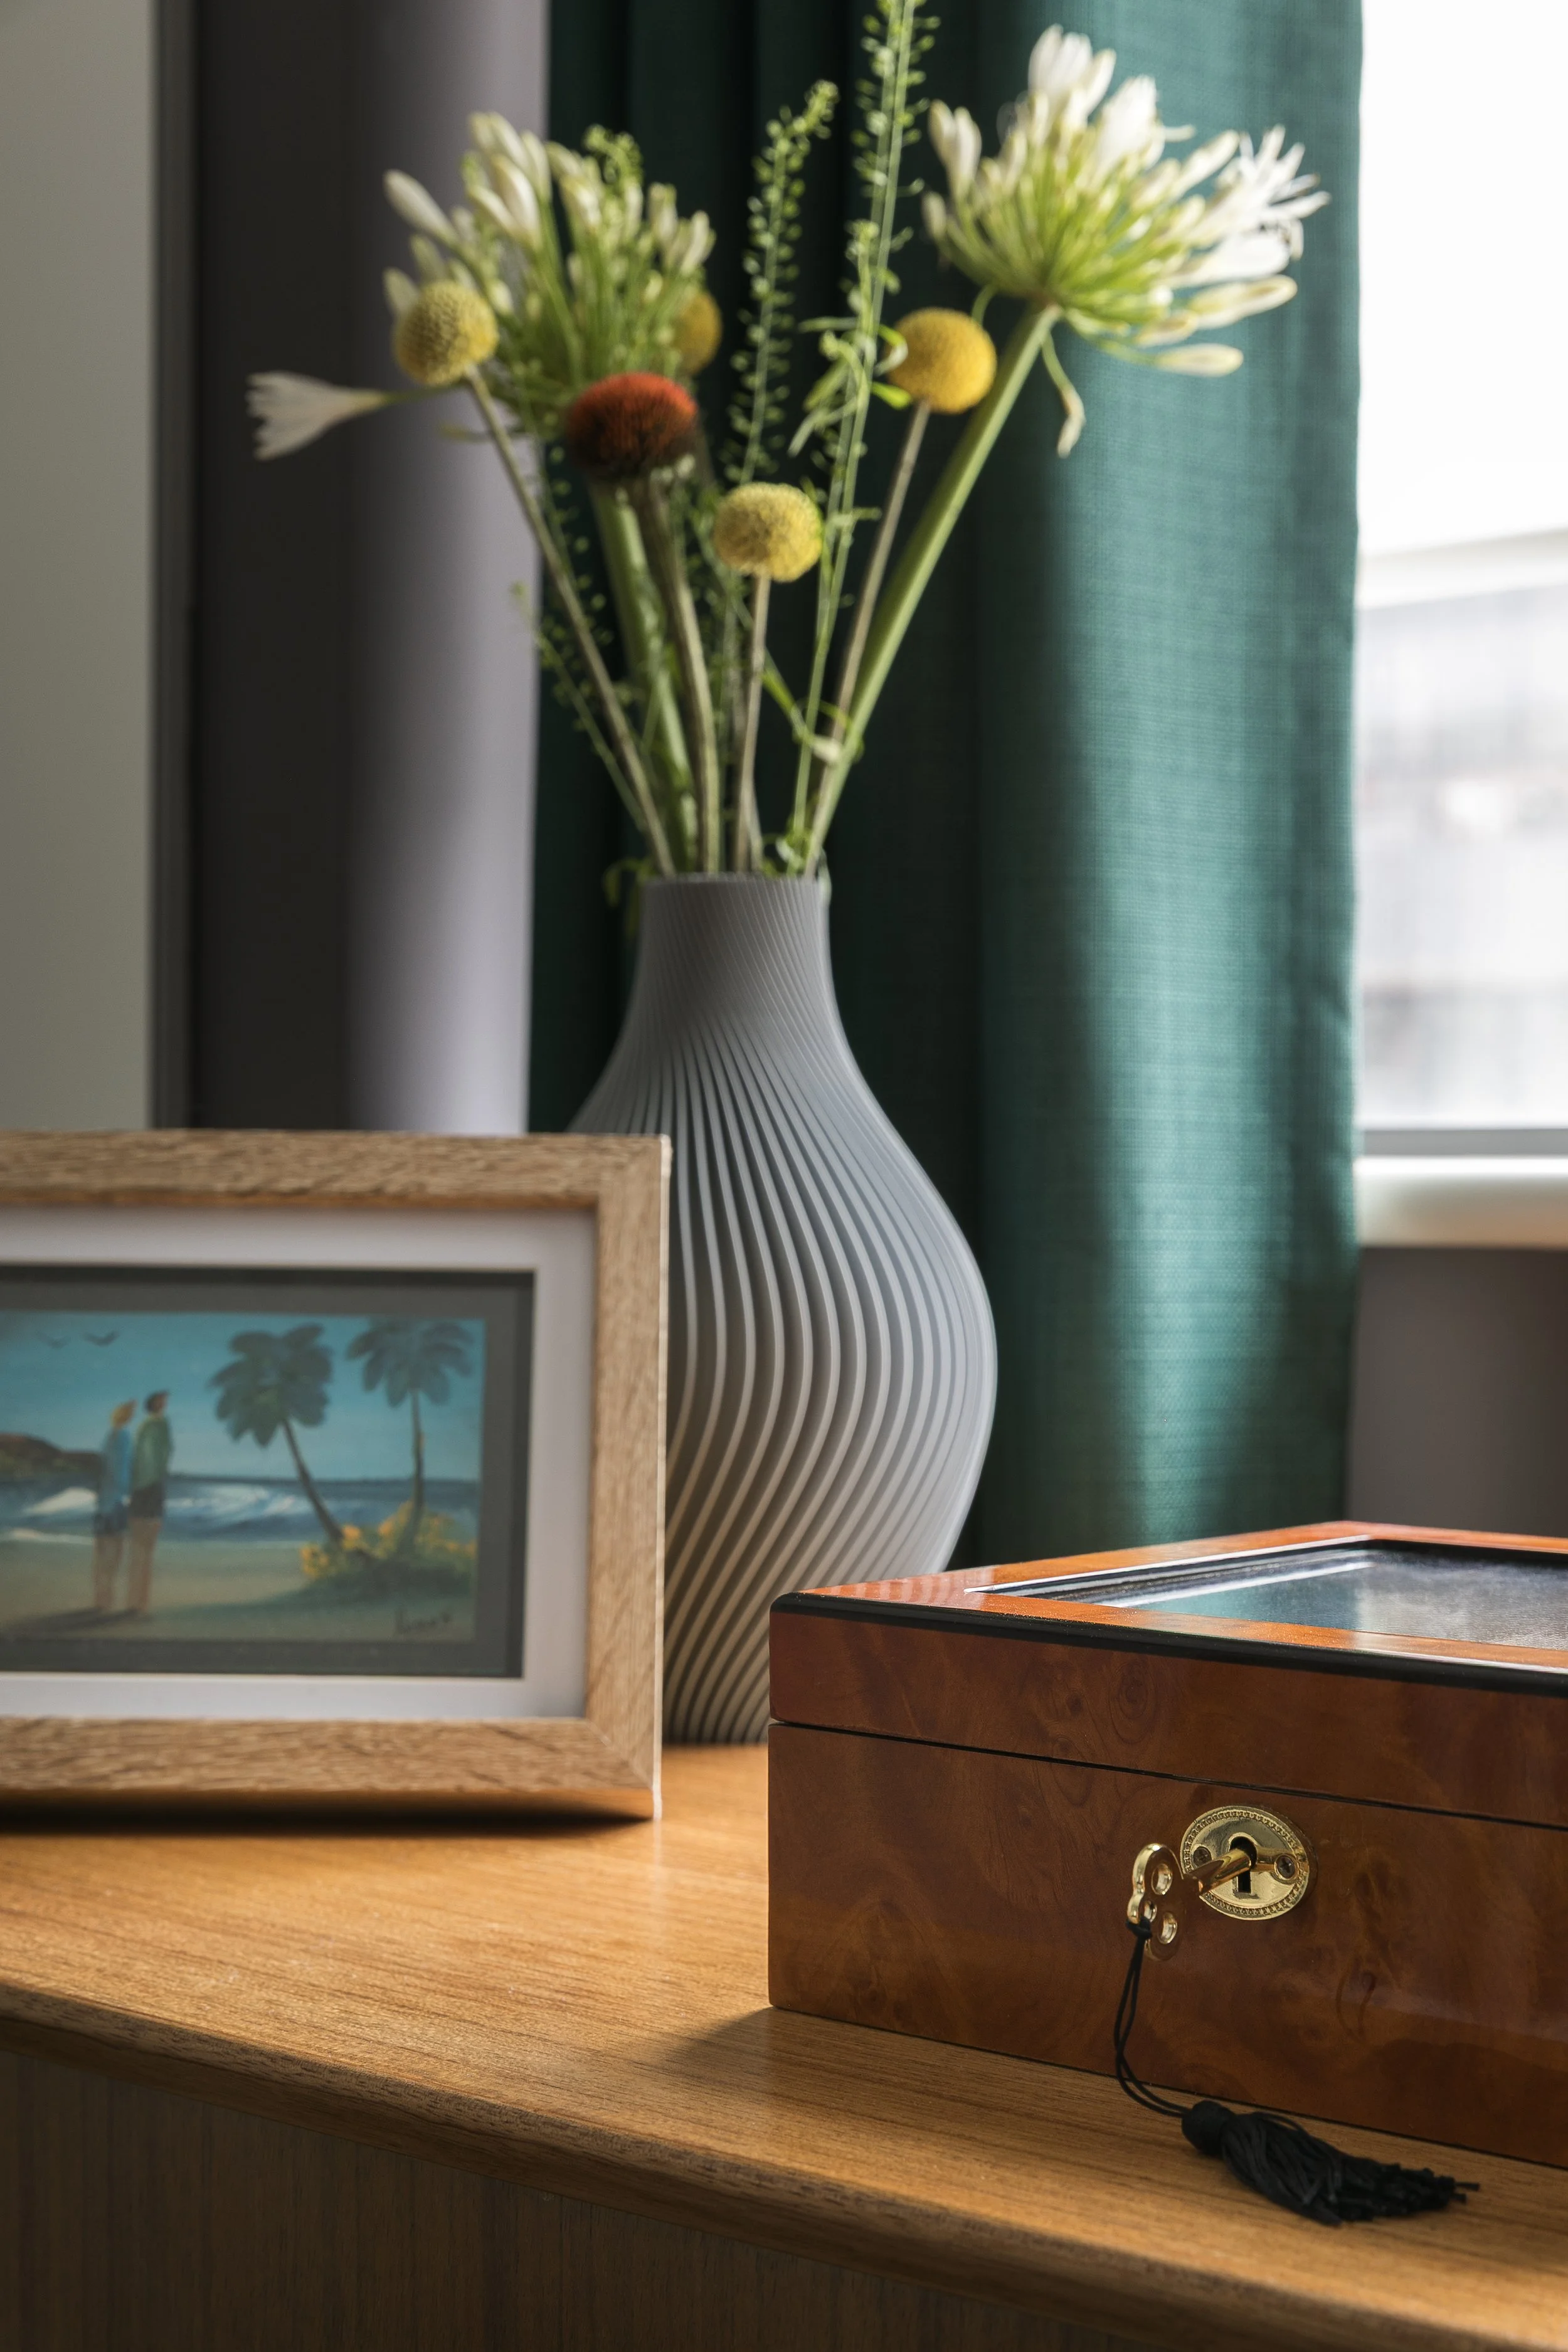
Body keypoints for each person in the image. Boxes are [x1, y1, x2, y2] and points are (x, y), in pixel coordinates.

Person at [127, 1390, 173, 1617]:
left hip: (141, 1488)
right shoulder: (159, 1425)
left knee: (139, 1548)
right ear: (156, 1404)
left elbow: (138, 1457)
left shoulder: (144, 1426)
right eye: (162, 1400)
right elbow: (164, 1454)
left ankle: (135, 1602)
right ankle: (140, 1604)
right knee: (146, 1550)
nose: (165, 1403)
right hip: (152, 1488)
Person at [92, 1399, 137, 1613]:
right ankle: (107, 1598)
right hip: (117, 1501)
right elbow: (121, 1472)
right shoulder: (125, 1437)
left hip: (103, 1502)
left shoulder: (108, 1437)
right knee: (116, 1551)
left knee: (101, 1552)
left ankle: (101, 1598)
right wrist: (130, 1493)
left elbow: (104, 1471)